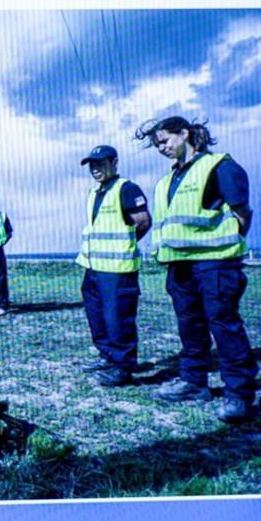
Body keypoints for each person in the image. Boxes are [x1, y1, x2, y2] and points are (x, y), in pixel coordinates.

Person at [135, 116, 259, 423]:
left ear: (185, 133)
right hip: (180, 267)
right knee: (189, 326)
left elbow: (243, 213)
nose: (160, 148)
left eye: (164, 140)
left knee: (224, 326)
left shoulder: (219, 166)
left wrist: (226, 250)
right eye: (156, 145)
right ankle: (194, 382)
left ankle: (239, 395)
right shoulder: (166, 181)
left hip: (215, 265)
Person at [75, 145, 152, 388]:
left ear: (114, 163)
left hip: (117, 269)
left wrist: (123, 246)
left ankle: (123, 366)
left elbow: (143, 223)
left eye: (101, 164)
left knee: (118, 318)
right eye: (92, 165)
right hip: (93, 268)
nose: (95, 169)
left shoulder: (126, 189)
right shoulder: (94, 193)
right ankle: (106, 356)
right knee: (97, 316)